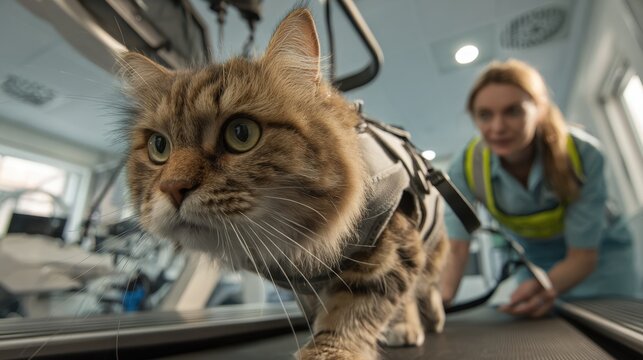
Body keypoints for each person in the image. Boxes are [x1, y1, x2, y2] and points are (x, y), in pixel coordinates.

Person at [440, 59, 638, 318]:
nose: (497, 127)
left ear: (539, 109)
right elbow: (456, 248)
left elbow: (583, 256)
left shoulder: (583, 155)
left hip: (601, 263)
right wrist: (439, 302)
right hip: (534, 265)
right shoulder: (465, 167)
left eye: (513, 111)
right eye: (485, 115)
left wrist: (545, 287)